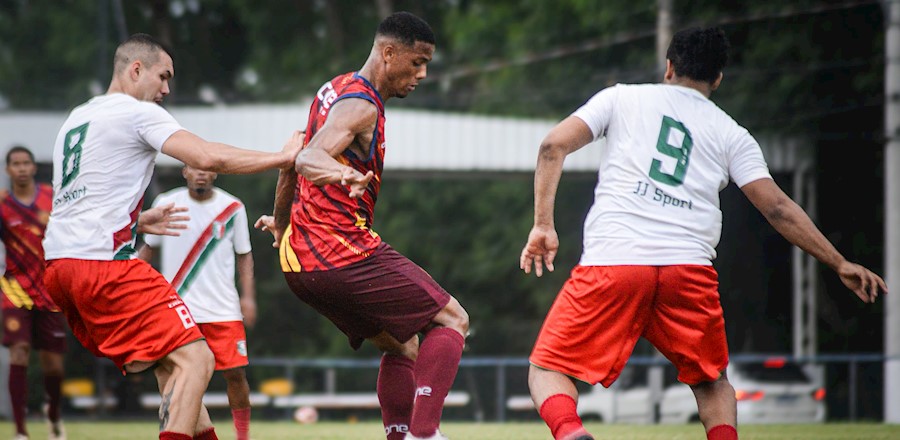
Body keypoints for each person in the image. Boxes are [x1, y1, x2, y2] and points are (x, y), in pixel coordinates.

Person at [518, 27, 887, 440]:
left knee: (548, 368)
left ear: (669, 66)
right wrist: (839, 261)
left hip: (616, 260)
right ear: (717, 79)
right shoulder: (732, 134)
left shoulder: (621, 97)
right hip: (688, 270)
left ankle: (571, 433)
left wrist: (544, 225)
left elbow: (553, 145)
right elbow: (778, 208)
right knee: (712, 381)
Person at [42, 33, 302, 440]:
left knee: (173, 368)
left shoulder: (77, 118)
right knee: (198, 360)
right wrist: (283, 158)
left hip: (59, 269)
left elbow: (78, 200)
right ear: (136, 70)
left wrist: (137, 221)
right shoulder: (136, 112)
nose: (166, 89)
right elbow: (206, 156)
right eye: (163, 77)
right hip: (103, 267)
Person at [255, 11, 469, 440]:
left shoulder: (332, 90)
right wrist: (344, 175)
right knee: (451, 320)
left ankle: (399, 435)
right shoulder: (361, 105)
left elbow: (288, 162)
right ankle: (425, 435)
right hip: (340, 251)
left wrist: (281, 226)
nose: (423, 74)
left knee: (403, 344)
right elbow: (307, 159)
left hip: (298, 262)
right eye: (417, 62)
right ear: (389, 53)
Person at [138, 165, 256, 440]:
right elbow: (148, 250)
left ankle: (243, 436)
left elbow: (245, 254)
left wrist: (248, 297)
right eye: (195, 168)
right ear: (184, 172)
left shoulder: (232, 207)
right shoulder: (167, 203)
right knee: (176, 377)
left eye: (207, 169)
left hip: (223, 308)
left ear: (215, 173)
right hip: (177, 307)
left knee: (236, 373)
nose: (201, 174)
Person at [1, 146, 66, 440]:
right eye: (16, 164)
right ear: (8, 170)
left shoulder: (51, 198)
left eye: (26, 162)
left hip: (50, 290)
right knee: (19, 353)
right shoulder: (2, 204)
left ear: (33, 166)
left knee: (52, 364)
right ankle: (21, 431)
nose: (22, 168)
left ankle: (53, 417)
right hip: (14, 291)